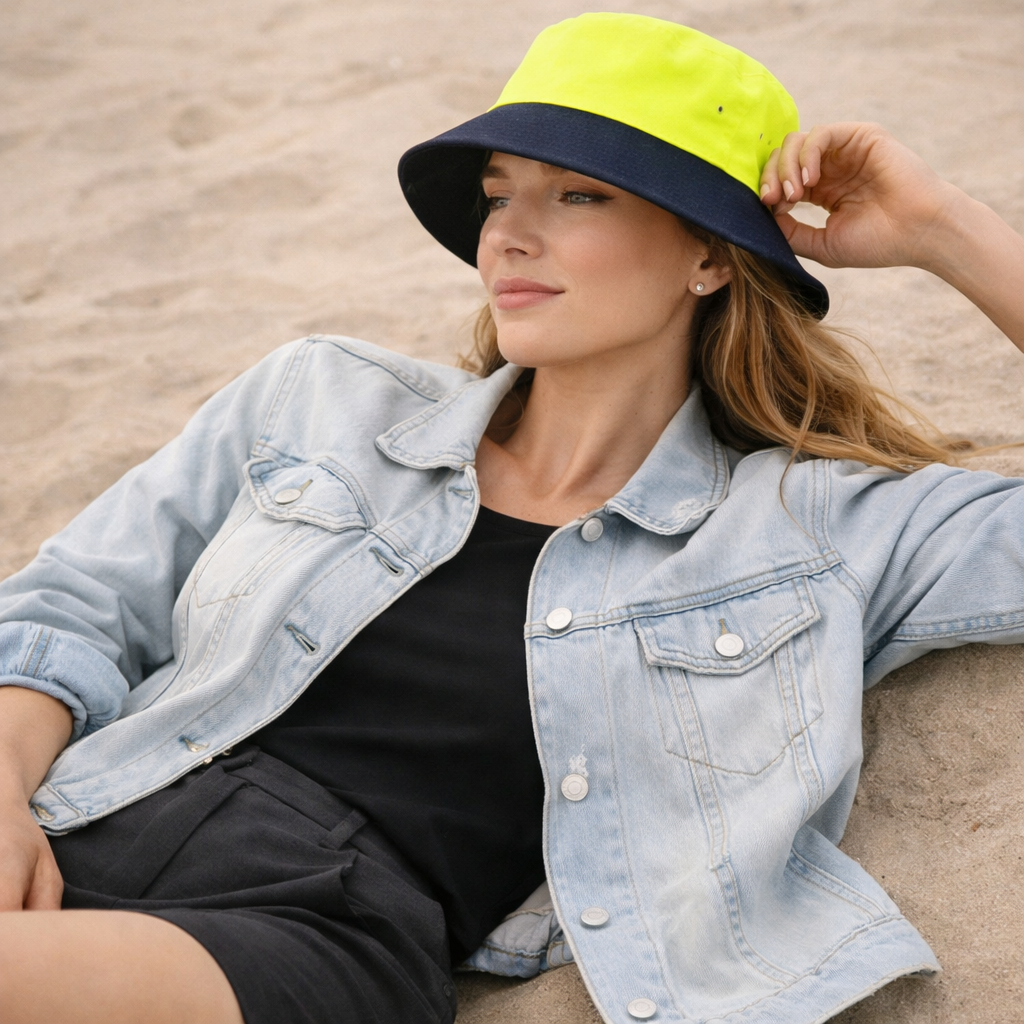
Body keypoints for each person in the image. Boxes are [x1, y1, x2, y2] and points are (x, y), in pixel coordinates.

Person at [1, 11, 1023, 1024]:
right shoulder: (319, 398)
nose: (509, 234)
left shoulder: (813, 531)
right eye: (498, 196)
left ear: (708, 258)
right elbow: (75, 606)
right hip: (81, 814)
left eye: (578, 193)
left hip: (305, 927)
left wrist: (944, 228)